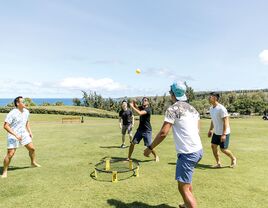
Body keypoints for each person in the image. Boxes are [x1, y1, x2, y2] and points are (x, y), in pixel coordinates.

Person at [144, 82, 203, 208]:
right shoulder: (193, 109)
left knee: (183, 188)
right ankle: (187, 205)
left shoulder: (173, 109)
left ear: (173, 94)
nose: (170, 94)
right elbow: (197, 130)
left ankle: (189, 204)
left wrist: (150, 148)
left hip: (188, 153)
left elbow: (163, 133)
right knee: (186, 183)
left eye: (170, 92)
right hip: (198, 150)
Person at [1, 96, 41, 178]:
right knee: (10, 154)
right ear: (18, 103)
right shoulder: (12, 113)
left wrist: (29, 131)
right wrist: (15, 135)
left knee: (32, 149)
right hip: (13, 135)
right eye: (23, 101)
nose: (25, 103)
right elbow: (5, 126)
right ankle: (5, 171)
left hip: (24, 134)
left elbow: (26, 122)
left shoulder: (26, 111)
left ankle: (33, 163)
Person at [208, 92, 237, 168]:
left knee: (223, 149)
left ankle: (233, 158)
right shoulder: (211, 108)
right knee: (213, 146)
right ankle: (218, 163)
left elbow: (226, 121)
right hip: (216, 132)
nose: (209, 98)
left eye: (210, 96)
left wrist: (224, 134)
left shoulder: (221, 108)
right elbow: (213, 120)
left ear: (215, 98)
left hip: (224, 132)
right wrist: (211, 130)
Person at [128, 97, 159, 162]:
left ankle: (156, 156)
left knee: (149, 145)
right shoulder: (141, 107)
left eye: (145, 100)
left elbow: (139, 113)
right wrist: (134, 103)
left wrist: (132, 106)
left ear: (148, 102)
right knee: (132, 143)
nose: (144, 101)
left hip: (147, 130)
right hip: (140, 130)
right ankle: (129, 157)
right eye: (143, 100)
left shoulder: (148, 109)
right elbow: (137, 108)